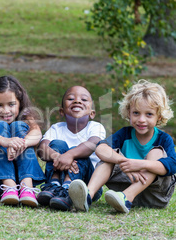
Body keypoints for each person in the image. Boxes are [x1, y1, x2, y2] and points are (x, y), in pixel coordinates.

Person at [69, 79, 176, 214]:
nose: (141, 119)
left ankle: (127, 197)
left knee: (157, 153)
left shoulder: (163, 139)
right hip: (122, 190)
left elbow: (172, 165)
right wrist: (123, 161)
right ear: (129, 113)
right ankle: (87, 196)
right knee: (109, 155)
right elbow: (100, 148)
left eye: (149, 114)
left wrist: (140, 164)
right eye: (136, 113)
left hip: (154, 196)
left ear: (159, 117)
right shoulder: (125, 134)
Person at [37, 86, 106, 211]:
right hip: (57, 176)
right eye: (71, 98)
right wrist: (59, 157)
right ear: (62, 112)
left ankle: (68, 191)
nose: (77, 101)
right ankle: (54, 186)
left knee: (80, 150)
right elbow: (42, 149)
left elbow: (92, 144)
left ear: (92, 113)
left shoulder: (96, 127)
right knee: (57, 144)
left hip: (86, 184)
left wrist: (70, 155)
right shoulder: (56, 128)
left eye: (84, 99)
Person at [0, 76, 45, 207]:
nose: (6, 111)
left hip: (21, 175)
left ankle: (27, 187)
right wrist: (5, 141)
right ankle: (9, 186)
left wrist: (21, 143)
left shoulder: (26, 116)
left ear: (20, 102)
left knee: (19, 127)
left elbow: (37, 133)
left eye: (11, 104)